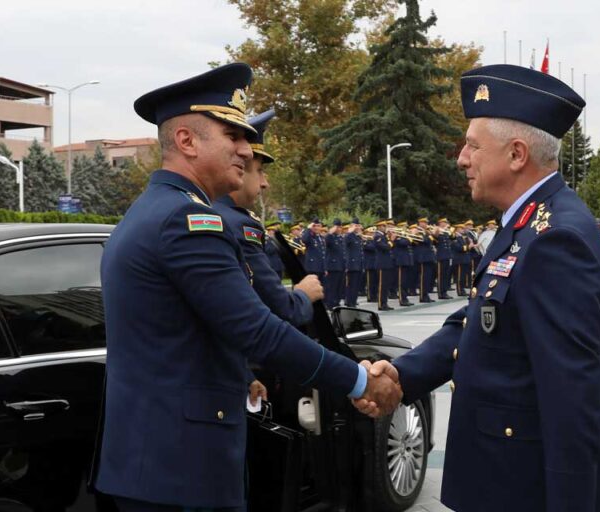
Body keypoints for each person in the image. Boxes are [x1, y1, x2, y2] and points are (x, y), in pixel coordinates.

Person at [96, 63, 402, 512]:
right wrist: (357, 380)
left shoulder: (152, 210)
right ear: (187, 141)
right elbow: (257, 330)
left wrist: (243, 375)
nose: (245, 149)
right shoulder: (187, 220)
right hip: (182, 469)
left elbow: (184, 330)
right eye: (233, 136)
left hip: (159, 463)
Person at [356, 64, 600, 512]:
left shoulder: (555, 238)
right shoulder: (525, 224)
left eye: (472, 145)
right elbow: (479, 321)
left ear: (517, 154)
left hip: (528, 490)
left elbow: (572, 399)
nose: (462, 158)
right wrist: (402, 376)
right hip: (506, 478)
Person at [212, 108, 322, 328]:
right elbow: (282, 311)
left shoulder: (209, 211)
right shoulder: (239, 224)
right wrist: (303, 294)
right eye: (259, 170)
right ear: (239, 170)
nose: (265, 183)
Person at [324, 219, 346, 308]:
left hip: (341, 265)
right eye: (337, 227)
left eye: (340, 227)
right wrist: (330, 232)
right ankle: (330, 304)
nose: (339, 229)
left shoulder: (340, 238)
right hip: (332, 266)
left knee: (339, 286)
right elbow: (326, 241)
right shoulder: (330, 237)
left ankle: (337, 302)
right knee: (332, 287)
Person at [344, 218, 365, 307]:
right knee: (351, 285)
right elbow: (345, 242)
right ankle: (349, 302)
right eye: (355, 226)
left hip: (359, 264)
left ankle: (353, 301)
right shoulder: (349, 236)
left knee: (356, 285)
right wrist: (349, 232)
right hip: (352, 265)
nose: (357, 227)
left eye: (358, 226)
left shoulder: (358, 237)